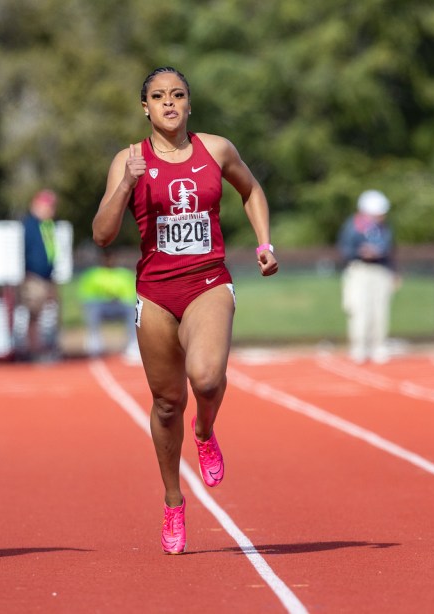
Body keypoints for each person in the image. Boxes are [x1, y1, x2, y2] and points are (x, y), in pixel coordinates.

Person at [92, 66, 278, 554]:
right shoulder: (128, 160)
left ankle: (206, 429)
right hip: (155, 292)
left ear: (190, 103)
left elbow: (251, 190)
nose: (169, 103)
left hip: (208, 281)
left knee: (208, 378)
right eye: (158, 96)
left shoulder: (217, 149)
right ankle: (174, 501)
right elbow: (102, 235)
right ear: (145, 107)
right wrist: (124, 186)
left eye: (177, 95)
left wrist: (264, 242)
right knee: (167, 401)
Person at [337, 189, 398, 364]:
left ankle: (378, 346)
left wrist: (391, 267)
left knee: (380, 311)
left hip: (380, 271)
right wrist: (361, 253)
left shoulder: (383, 228)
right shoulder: (353, 226)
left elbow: (389, 248)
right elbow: (345, 249)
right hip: (359, 270)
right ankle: (359, 348)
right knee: (360, 310)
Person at [18, 188, 60, 361]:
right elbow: (25, 251)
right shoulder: (29, 225)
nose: (50, 210)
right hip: (33, 276)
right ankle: (33, 349)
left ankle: (44, 347)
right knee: (34, 314)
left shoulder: (48, 226)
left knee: (46, 314)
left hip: (46, 277)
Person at [76, 249, 138, 359]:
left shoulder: (124, 275)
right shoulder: (92, 275)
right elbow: (86, 298)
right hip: (101, 307)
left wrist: (118, 299)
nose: (109, 260)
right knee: (92, 309)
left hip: (119, 307)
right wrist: (104, 298)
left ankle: (133, 343)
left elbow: (131, 296)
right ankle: (94, 341)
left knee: (133, 309)